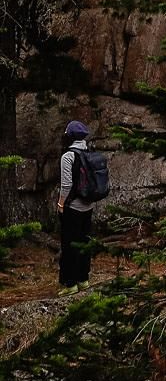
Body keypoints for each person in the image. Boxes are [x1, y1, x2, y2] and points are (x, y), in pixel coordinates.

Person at [57, 120, 97, 288]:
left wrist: (60, 204)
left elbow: (66, 185)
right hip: (88, 206)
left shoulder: (68, 156)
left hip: (73, 207)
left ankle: (70, 284)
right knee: (84, 243)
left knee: (69, 245)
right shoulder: (90, 153)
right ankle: (83, 280)